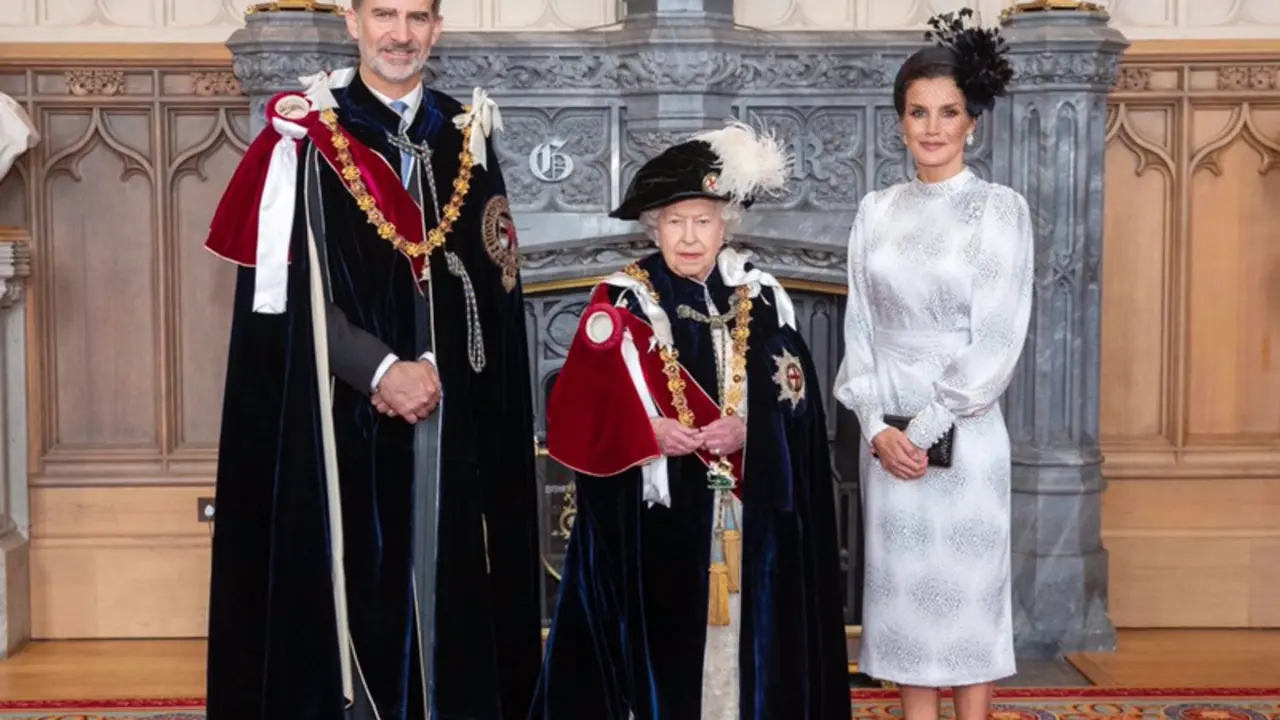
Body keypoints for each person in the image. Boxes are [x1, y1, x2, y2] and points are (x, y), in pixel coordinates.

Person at [200, 1, 542, 718]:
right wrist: (383, 370)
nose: (401, 34)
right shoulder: (308, 137)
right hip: (341, 416)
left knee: (454, 595)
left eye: (417, 17)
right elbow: (283, 297)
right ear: (352, 22)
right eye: (384, 13)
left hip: (452, 416)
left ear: (437, 29)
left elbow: (495, 282)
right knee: (357, 600)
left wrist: (443, 370)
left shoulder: (464, 133)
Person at [530, 121, 850, 720]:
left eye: (703, 221)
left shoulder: (762, 296)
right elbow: (575, 413)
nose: (689, 236)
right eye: (675, 221)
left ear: (725, 224)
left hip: (750, 516)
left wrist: (752, 430)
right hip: (658, 519)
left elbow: (800, 405)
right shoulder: (622, 300)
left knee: (750, 651)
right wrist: (645, 432)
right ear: (654, 226)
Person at [834, 8, 1031, 720]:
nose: (933, 127)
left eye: (949, 112)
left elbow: (998, 337)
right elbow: (860, 327)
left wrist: (922, 430)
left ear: (972, 121)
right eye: (918, 112)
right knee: (905, 612)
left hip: (964, 440)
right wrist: (875, 427)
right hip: (886, 442)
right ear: (900, 122)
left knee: (969, 607)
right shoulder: (875, 210)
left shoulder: (1000, 210)